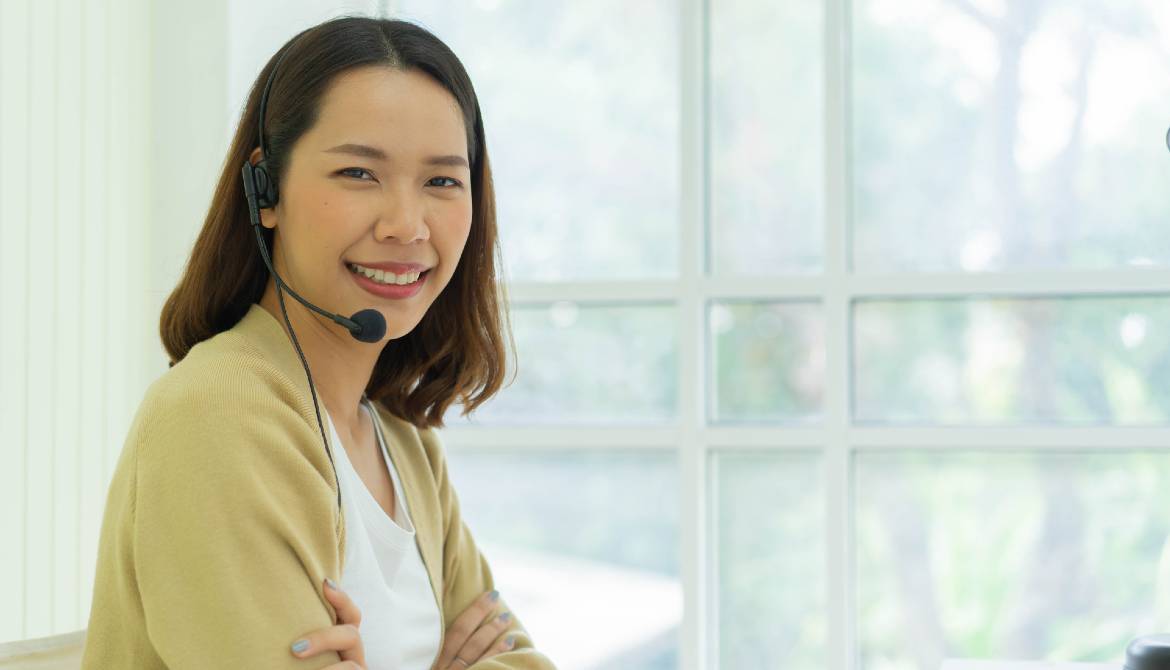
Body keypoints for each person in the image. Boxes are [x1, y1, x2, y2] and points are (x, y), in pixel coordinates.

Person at [81, 15, 554, 669]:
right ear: (265, 189)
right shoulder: (215, 415)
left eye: (442, 180)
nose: (406, 224)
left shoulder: (403, 444)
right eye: (360, 173)